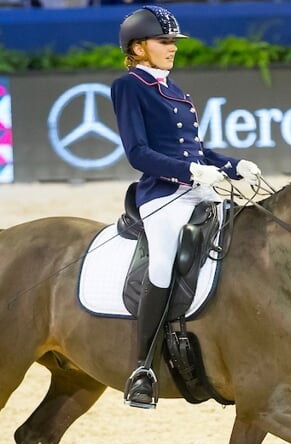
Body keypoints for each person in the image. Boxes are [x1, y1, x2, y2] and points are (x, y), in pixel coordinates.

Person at [111, 4, 261, 409]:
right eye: (164, 42)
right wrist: (192, 172)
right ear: (138, 48)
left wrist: (231, 164)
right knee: (162, 262)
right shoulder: (129, 87)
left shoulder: (174, 89)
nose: (172, 48)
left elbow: (197, 148)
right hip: (161, 196)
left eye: (173, 42)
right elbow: (138, 153)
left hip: (197, 187)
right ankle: (142, 367)